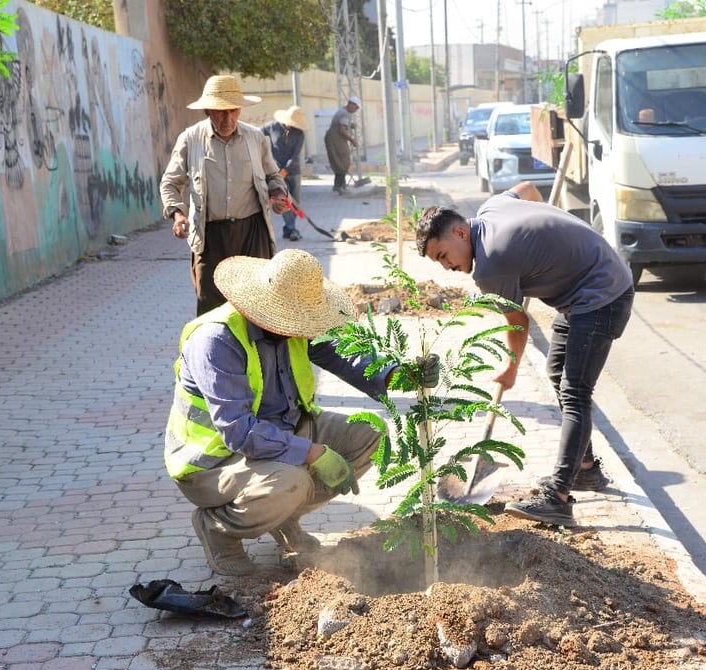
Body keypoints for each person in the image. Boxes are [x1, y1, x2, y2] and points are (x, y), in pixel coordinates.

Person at [164, 248, 439, 576]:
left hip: (281, 430)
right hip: (215, 461)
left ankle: (282, 518)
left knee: (370, 435)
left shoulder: (295, 327)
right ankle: (218, 529)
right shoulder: (216, 342)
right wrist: (313, 453)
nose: (303, 328)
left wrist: (395, 374)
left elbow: (342, 353)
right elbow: (239, 431)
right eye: (294, 319)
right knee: (291, 481)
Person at [415, 182, 634, 528]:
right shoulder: (491, 208)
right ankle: (585, 469)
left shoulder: (491, 266)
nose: (446, 267)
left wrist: (511, 367)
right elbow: (529, 190)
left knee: (575, 392)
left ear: (459, 232)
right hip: (583, 289)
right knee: (557, 371)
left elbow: (518, 323)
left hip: (602, 295)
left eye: (443, 256)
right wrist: (545, 241)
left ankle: (557, 499)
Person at [159, 74, 290, 316]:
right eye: (220, 112)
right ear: (208, 111)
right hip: (210, 238)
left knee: (257, 308)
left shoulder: (255, 138)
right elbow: (170, 182)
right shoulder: (191, 139)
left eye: (233, 111)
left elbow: (273, 175)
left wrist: (278, 194)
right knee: (211, 311)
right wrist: (178, 215)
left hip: (251, 234)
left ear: (239, 110)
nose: (227, 119)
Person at [261, 105, 307, 242]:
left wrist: (285, 171)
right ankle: (292, 229)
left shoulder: (299, 134)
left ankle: (288, 229)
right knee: (284, 201)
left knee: (295, 202)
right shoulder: (272, 127)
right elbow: (256, 135)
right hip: (276, 171)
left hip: (293, 171)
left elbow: (295, 155)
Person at [324, 95, 360, 195]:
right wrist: (352, 140)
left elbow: (342, 125)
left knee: (341, 161)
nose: (356, 110)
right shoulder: (345, 113)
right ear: (351, 104)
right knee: (342, 160)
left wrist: (350, 125)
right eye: (356, 107)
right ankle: (339, 186)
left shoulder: (343, 112)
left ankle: (340, 185)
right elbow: (341, 130)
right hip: (335, 137)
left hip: (335, 136)